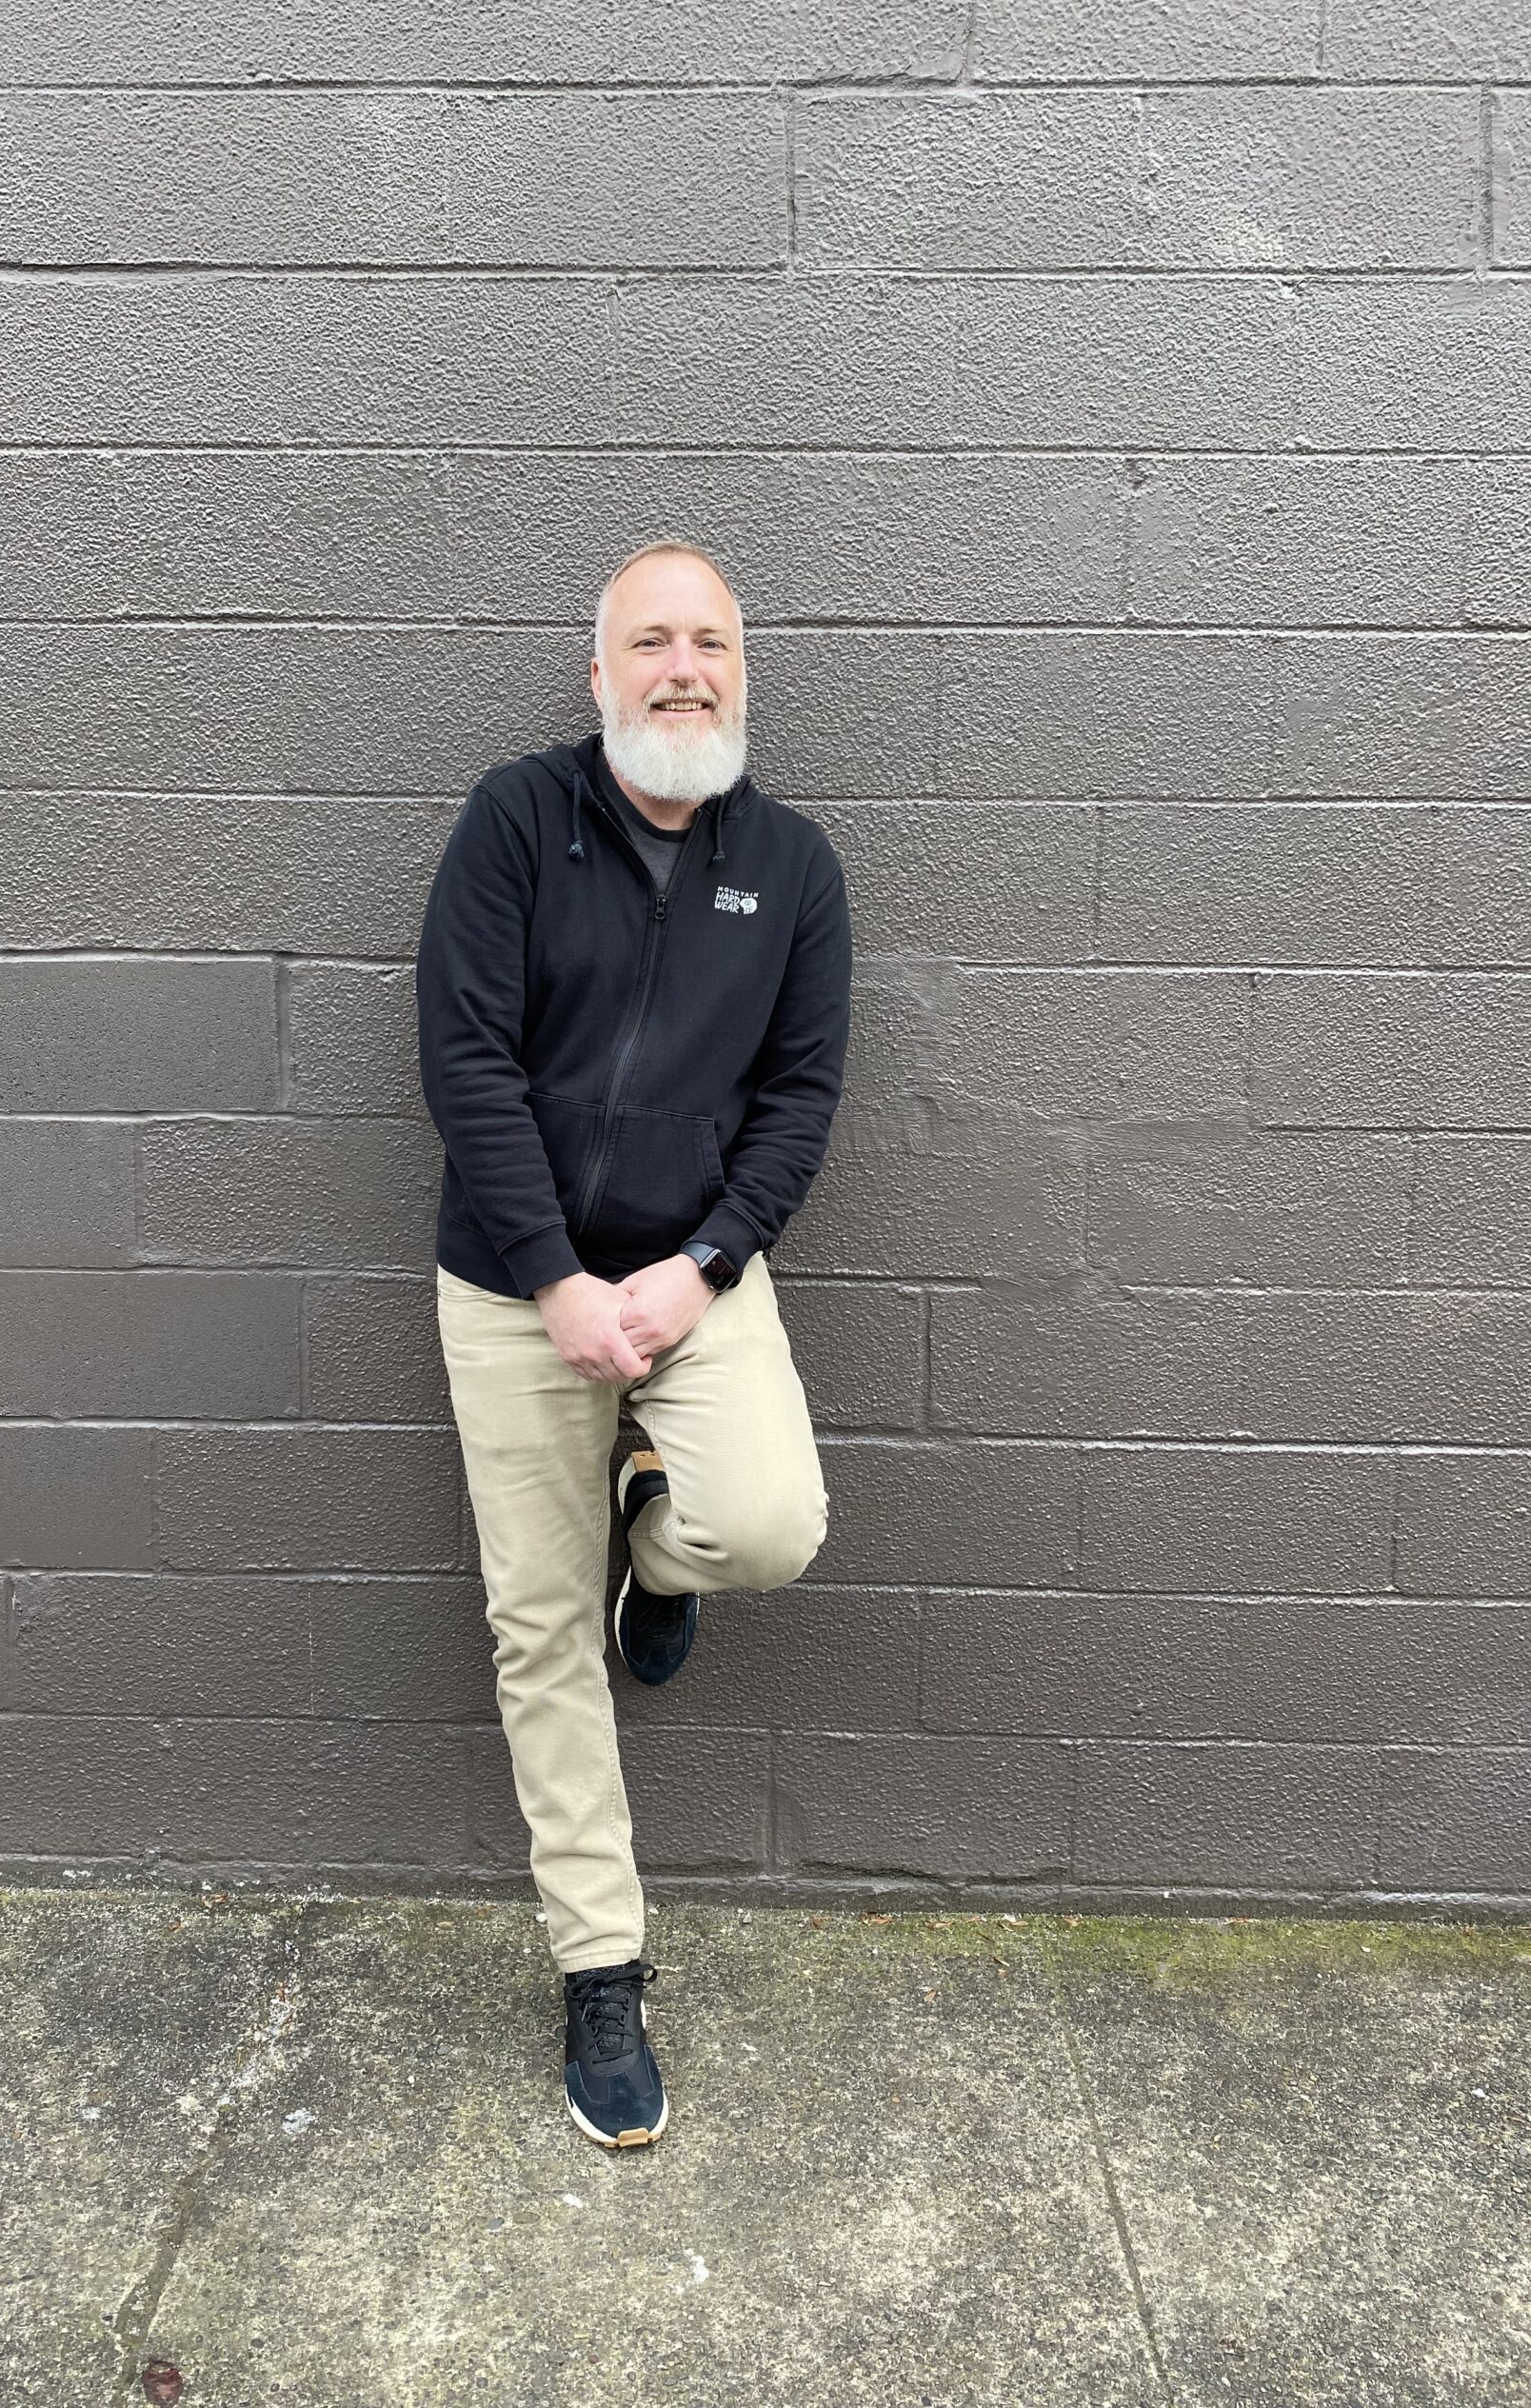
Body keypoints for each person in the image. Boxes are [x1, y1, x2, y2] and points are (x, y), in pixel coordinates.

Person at [414, 538, 853, 2148]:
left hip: (693, 1280)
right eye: (650, 642)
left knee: (768, 1529)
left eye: (712, 643)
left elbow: (802, 1099)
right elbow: (461, 1058)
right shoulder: (517, 821)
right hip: (516, 1286)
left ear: (744, 672)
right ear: (596, 675)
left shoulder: (795, 869)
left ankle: (653, 1557)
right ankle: (602, 1963)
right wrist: (552, 1279)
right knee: (539, 1634)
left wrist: (704, 1264)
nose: (684, 667)